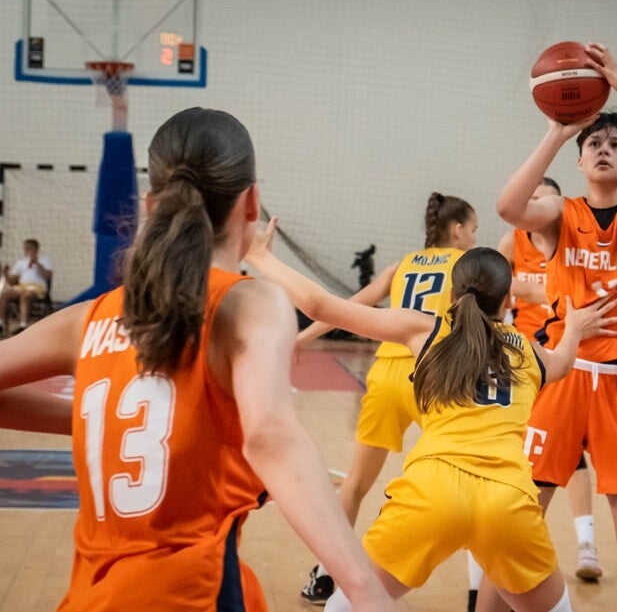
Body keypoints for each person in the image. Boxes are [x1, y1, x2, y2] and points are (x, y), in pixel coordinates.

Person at [0, 107, 397, 612]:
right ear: (252, 202)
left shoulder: (84, 320)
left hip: (88, 599)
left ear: (151, 204)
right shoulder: (247, 304)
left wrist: (95, 419)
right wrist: (363, 588)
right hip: (192, 593)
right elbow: (270, 437)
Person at [244, 231, 617, 612]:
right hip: (507, 501)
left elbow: (319, 305)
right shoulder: (529, 351)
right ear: (508, 300)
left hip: (433, 493)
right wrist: (575, 328)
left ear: (453, 294)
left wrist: (260, 257)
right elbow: (564, 363)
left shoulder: (425, 330)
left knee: (345, 606)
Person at [489, 42, 617, 612]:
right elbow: (508, 207)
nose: (604, 149)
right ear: (580, 161)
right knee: (512, 533)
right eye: (595, 143)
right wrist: (558, 130)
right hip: (561, 380)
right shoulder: (560, 216)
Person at [295, 192, 478, 605]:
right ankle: (477, 591)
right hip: (431, 375)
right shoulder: (466, 265)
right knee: (473, 479)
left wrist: (303, 336)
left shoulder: (403, 265)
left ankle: (324, 576)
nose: (474, 237)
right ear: (457, 230)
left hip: (385, 375)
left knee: (356, 483)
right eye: (473, 229)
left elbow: (352, 304)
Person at [497, 177, 604, 583]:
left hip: (565, 357)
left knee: (572, 453)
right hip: (524, 358)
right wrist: (520, 290)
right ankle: (514, 541)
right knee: (523, 454)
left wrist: (535, 292)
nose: (537, 207)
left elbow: (581, 295)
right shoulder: (512, 242)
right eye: (532, 200)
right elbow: (491, 286)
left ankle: (586, 544)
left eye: (544, 200)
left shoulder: (572, 240)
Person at [0, 238, 52, 334]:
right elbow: (12, 282)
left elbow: (47, 276)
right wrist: (6, 273)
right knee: (4, 296)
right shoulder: (20, 262)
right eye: (25, 248)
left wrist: (37, 264)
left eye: (29, 248)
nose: (27, 251)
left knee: (25, 296)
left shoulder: (44, 260)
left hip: (37, 287)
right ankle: (1, 323)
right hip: (22, 286)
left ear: (36, 249)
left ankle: (23, 325)